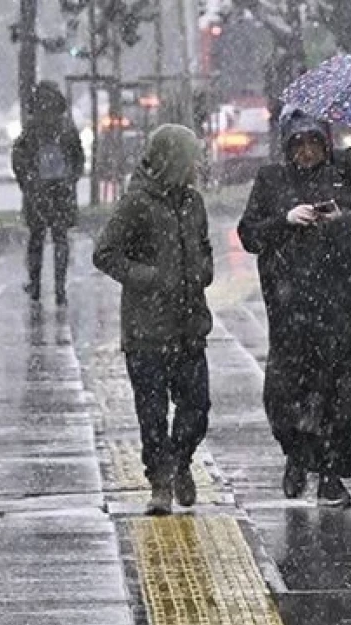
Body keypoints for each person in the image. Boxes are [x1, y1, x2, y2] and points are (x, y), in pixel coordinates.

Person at [237, 109, 351, 508]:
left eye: (314, 143)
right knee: (287, 393)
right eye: (298, 144)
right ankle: (296, 455)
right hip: (291, 309)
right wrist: (285, 221)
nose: (307, 152)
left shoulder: (350, 167)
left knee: (339, 396)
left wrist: (343, 220)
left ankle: (330, 475)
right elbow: (250, 234)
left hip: (343, 304)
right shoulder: (272, 179)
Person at [93, 124, 213, 516]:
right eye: (191, 156)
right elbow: (105, 253)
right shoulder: (137, 203)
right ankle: (159, 479)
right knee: (152, 413)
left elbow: (205, 247)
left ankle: (181, 460)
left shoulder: (194, 203)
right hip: (147, 330)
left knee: (196, 407)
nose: (197, 164)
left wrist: (203, 271)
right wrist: (149, 278)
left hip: (190, 324)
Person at [12, 81, 85, 305]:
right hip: (61, 191)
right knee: (60, 238)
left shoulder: (31, 129)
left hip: (38, 192)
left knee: (36, 238)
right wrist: (70, 179)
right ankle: (60, 287)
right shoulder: (66, 128)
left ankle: (35, 285)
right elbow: (78, 158)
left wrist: (28, 182)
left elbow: (18, 159)